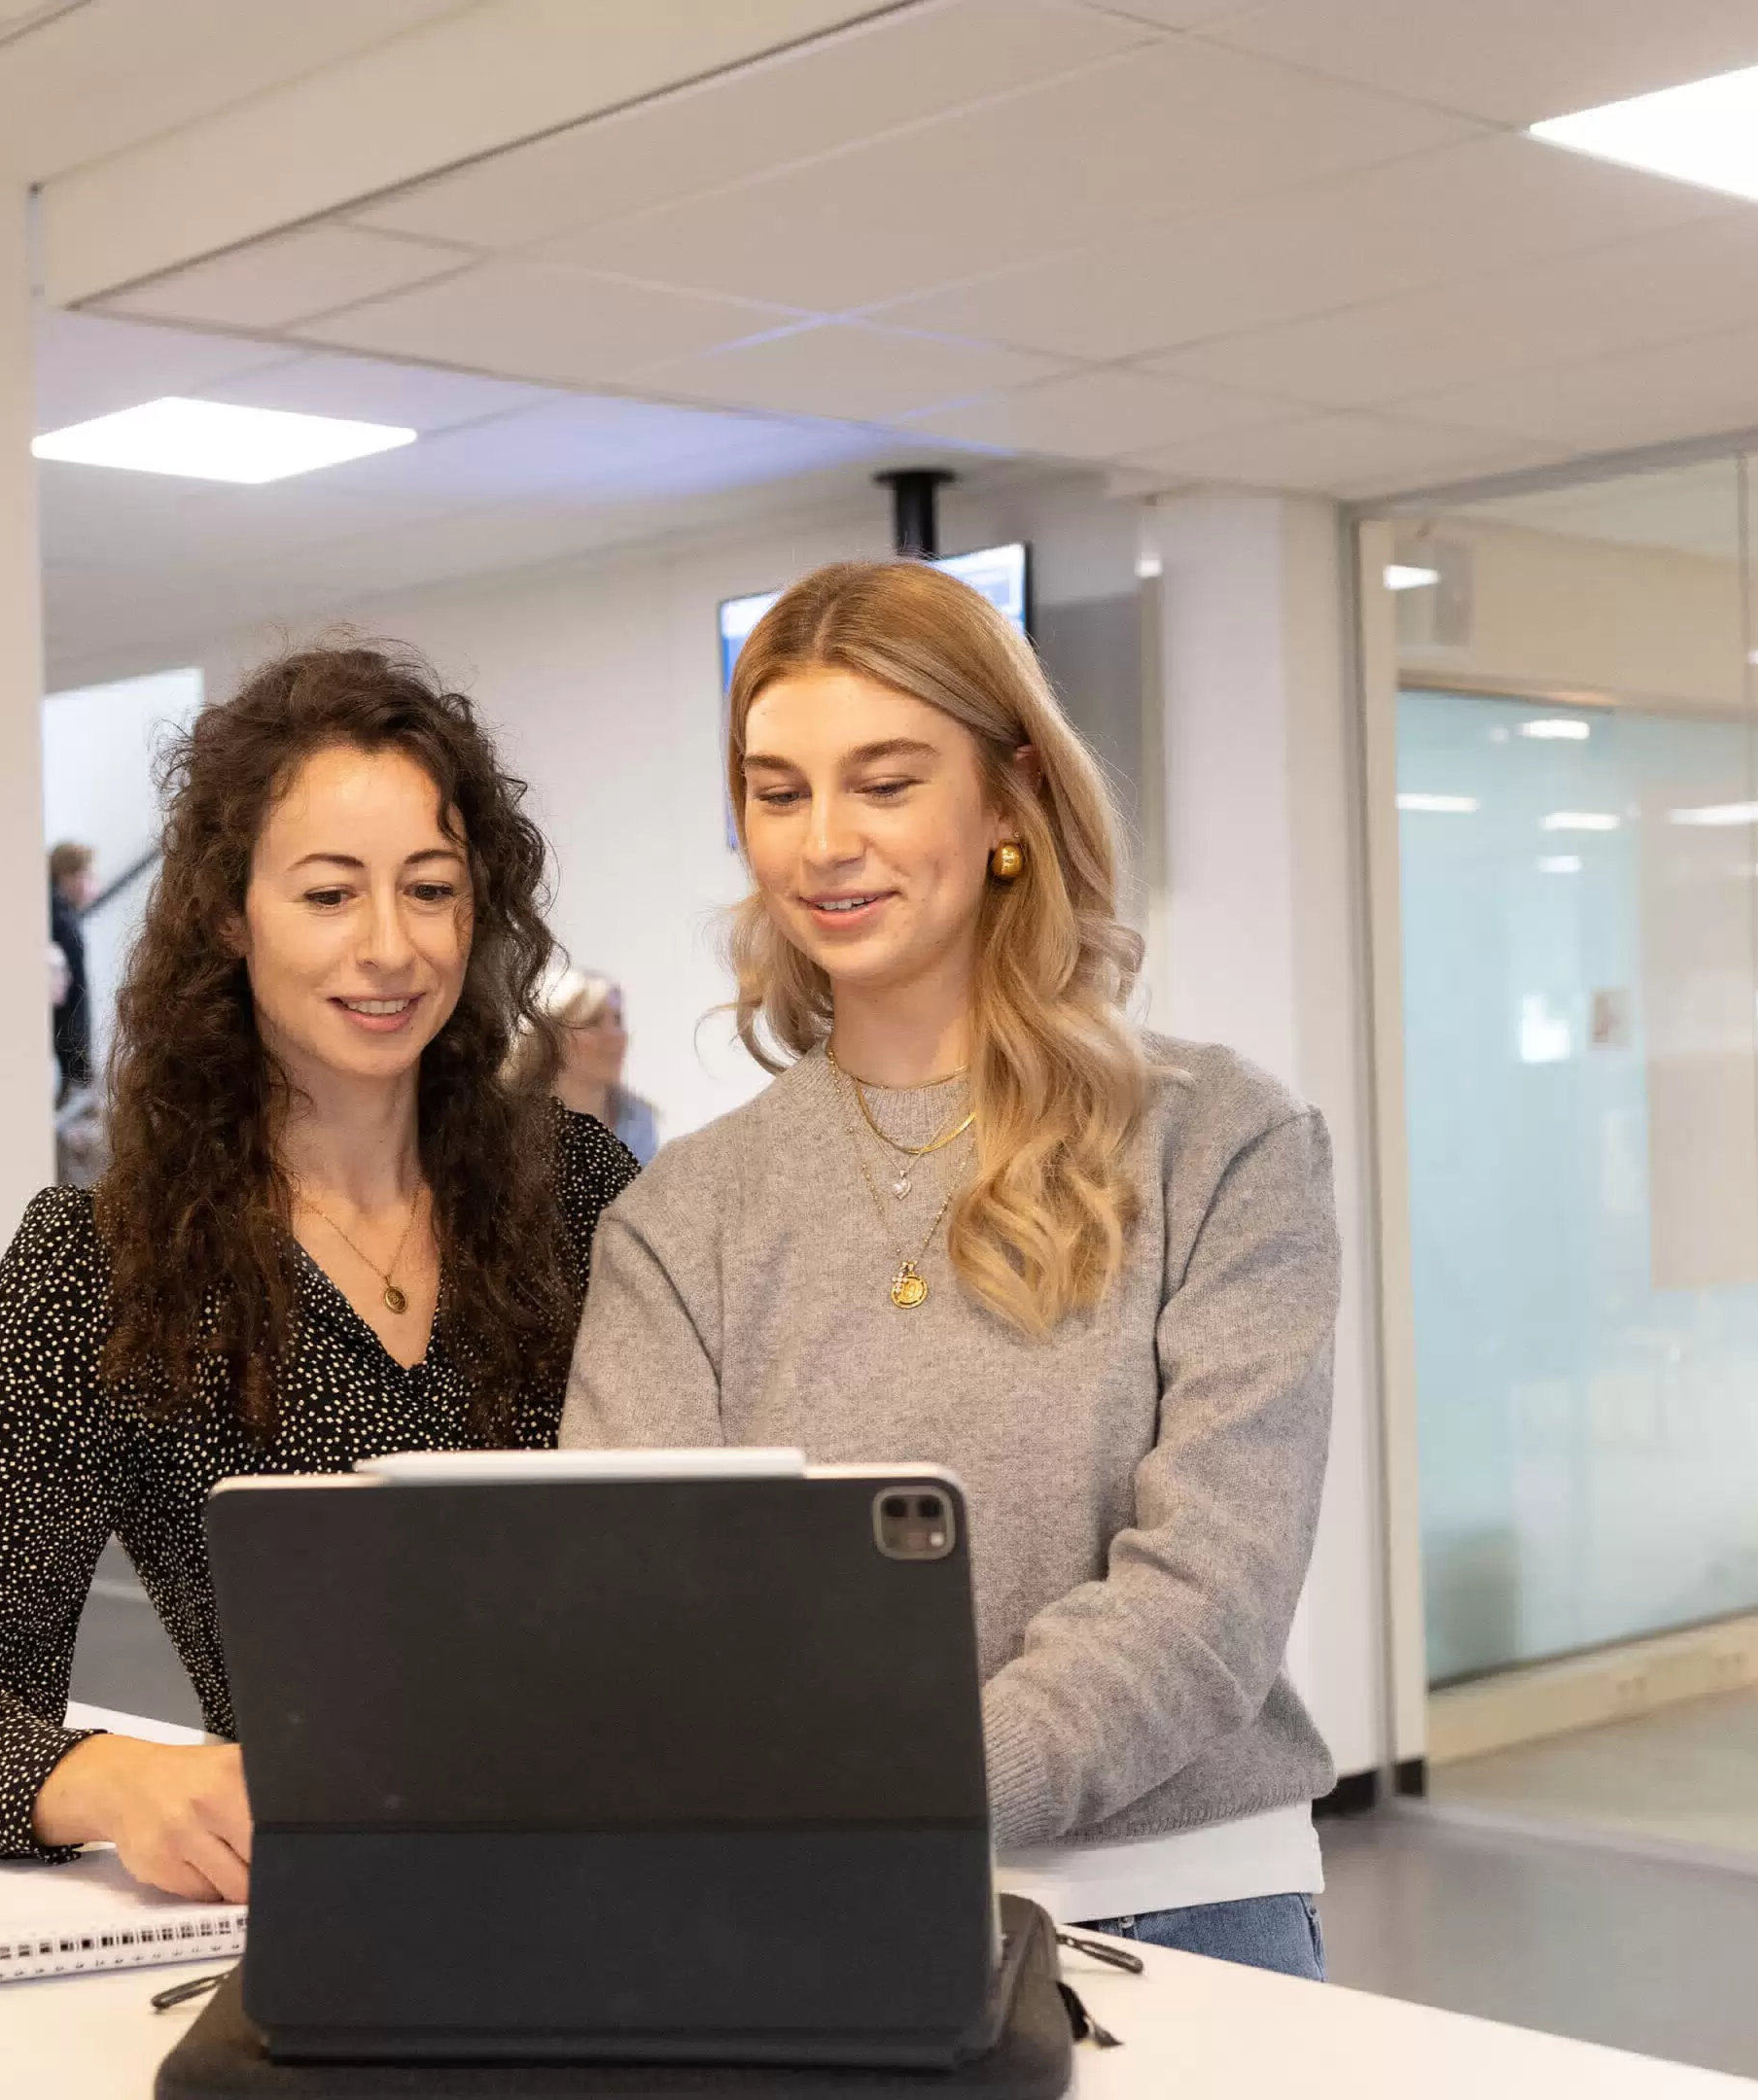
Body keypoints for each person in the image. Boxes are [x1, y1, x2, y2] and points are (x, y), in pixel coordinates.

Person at [560, 560, 1340, 1979]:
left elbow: (1209, 1598)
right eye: (779, 792)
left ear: (1009, 799)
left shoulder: (1222, 1139)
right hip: (803, 1911)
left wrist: (891, 1798)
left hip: (1180, 1916)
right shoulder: (683, 1215)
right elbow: (642, 1606)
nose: (824, 843)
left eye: (886, 782)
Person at [0, 647, 638, 1899]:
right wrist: (112, 1778)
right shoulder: (105, 1268)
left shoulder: (576, 1195)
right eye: (328, 894)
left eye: (431, 889)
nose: (391, 946)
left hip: (630, 1871)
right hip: (335, 1906)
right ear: (226, 915)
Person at [538, 965, 658, 1166]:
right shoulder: (516, 1125)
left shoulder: (638, 1119)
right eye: (592, 1022)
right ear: (551, 1039)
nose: (615, 1035)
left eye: (617, 1020)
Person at [50, 839, 97, 1101]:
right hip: (67, 1047)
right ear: (68, 876)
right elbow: (75, 996)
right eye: (87, 875)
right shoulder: (63, 924)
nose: (92, 884)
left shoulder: (55, 915)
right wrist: (81, 1060)